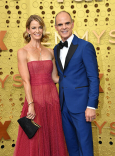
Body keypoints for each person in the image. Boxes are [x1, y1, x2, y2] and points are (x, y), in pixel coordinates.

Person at [13, 15, 68, 156]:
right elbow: (26, 80)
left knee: (52, 135)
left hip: (52, 99)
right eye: (34, 28)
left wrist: (75, 79)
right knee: (35, 137)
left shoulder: (50, 51)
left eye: (40, 27)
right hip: (35, 100)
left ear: (43, 29)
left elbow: (55, 78)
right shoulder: (22, 52)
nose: (37, 30)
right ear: (28, 30)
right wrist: (30, 103)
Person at [54, 11, 99, 156]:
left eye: (67, 23)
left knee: (85, 147)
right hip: (63, 106)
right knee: (71, 146)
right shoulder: (56, 49)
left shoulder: (85, 46)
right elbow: (62, 76)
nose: (64, 27)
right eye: (60, 24)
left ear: (72, 24)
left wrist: (91, 106)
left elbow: (93, 78)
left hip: (81, 106)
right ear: (56, 27)